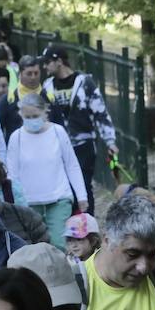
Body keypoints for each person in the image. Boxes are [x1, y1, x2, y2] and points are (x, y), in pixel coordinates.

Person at [40, 44, 118, 211]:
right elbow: (43, 116)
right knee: (63, 186)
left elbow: (100, 112)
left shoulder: (85, 83)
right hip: (57, 146)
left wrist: (110, 141)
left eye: (47, 62)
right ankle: (69, 227)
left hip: (83, 145)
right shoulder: (47, 87)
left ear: (59, 61)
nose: (44, 66)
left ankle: (87, 228)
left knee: (82, 184)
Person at [6, 94, 86, 249]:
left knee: (59, 244)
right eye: (27, 116)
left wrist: (81, 196)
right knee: (34, 247)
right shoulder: (17, 137)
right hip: (28, 202)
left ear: (45, 112)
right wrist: (14, 203)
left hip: (59, 198)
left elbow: (72, 165)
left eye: (35, 115)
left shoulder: (58, 132)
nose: (32, 120)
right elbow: (12, 174)